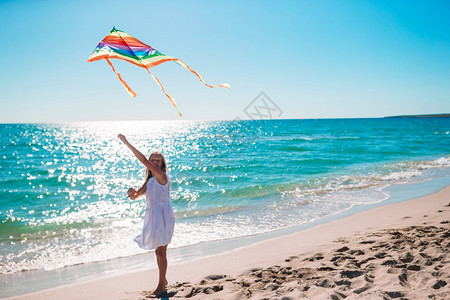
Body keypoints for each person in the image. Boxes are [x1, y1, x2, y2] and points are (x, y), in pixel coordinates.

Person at [118, 134, 175, 297]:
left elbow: (143, 161)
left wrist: (127, 143)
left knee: (161, 252)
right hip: (153, 216)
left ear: (162, 164)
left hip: (163, 215)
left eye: (157, 160)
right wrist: (131, 192)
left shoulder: (161, 176)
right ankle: (163, 281)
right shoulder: (150, 180)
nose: (154, 162)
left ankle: (161, 286)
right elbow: (135, 196)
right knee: (158, 251)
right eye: (153, 160)